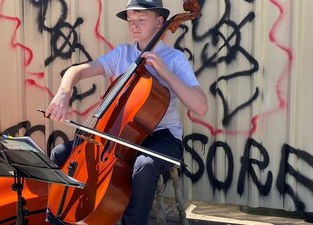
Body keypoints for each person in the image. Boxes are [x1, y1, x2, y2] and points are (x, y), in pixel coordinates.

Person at [45, 0, 208, 224]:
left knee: (145, 166)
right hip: (119, 135)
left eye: (141, 19)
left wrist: (166, 72)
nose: (134, 26)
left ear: (160, 22)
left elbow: (200, 106)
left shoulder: (174, 59)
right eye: (131, 21)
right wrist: (64, 92)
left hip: (162, 136)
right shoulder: (122, 54)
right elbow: (77, 71)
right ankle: (57, 219)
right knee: (61, 154)